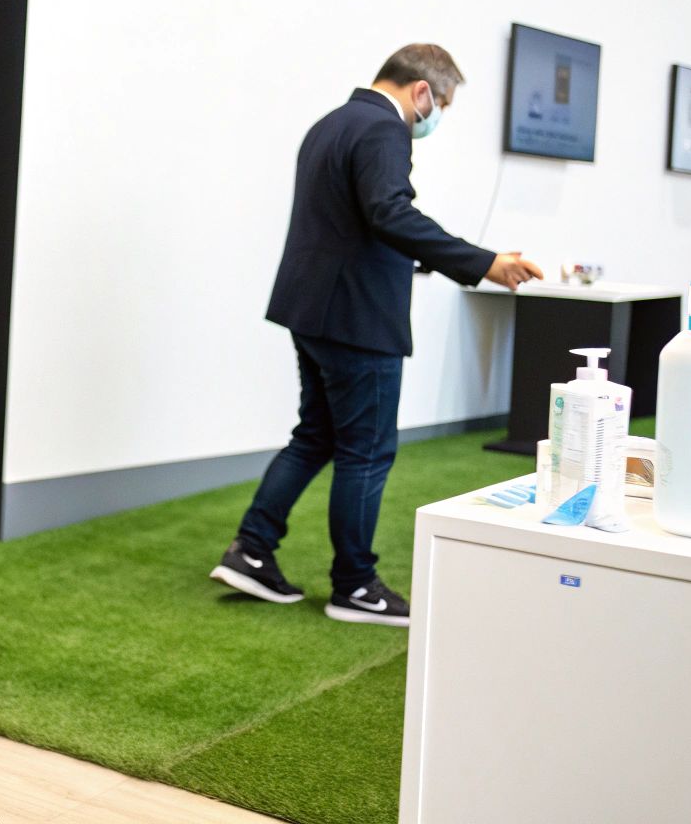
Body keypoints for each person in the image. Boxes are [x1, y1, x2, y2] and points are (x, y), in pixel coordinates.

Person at [210, 43, 542, 627]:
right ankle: (355, 586)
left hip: (311, 308)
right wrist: (483, 261)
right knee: (365, 452)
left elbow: (352, 223)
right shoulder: (385, 131)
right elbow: (390, 213)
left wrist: (434, 260)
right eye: (441, 104)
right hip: (356, 319)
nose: (436, 116)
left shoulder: (330, 124)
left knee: (314, 435)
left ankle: (251, 550)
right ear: (422, 92)